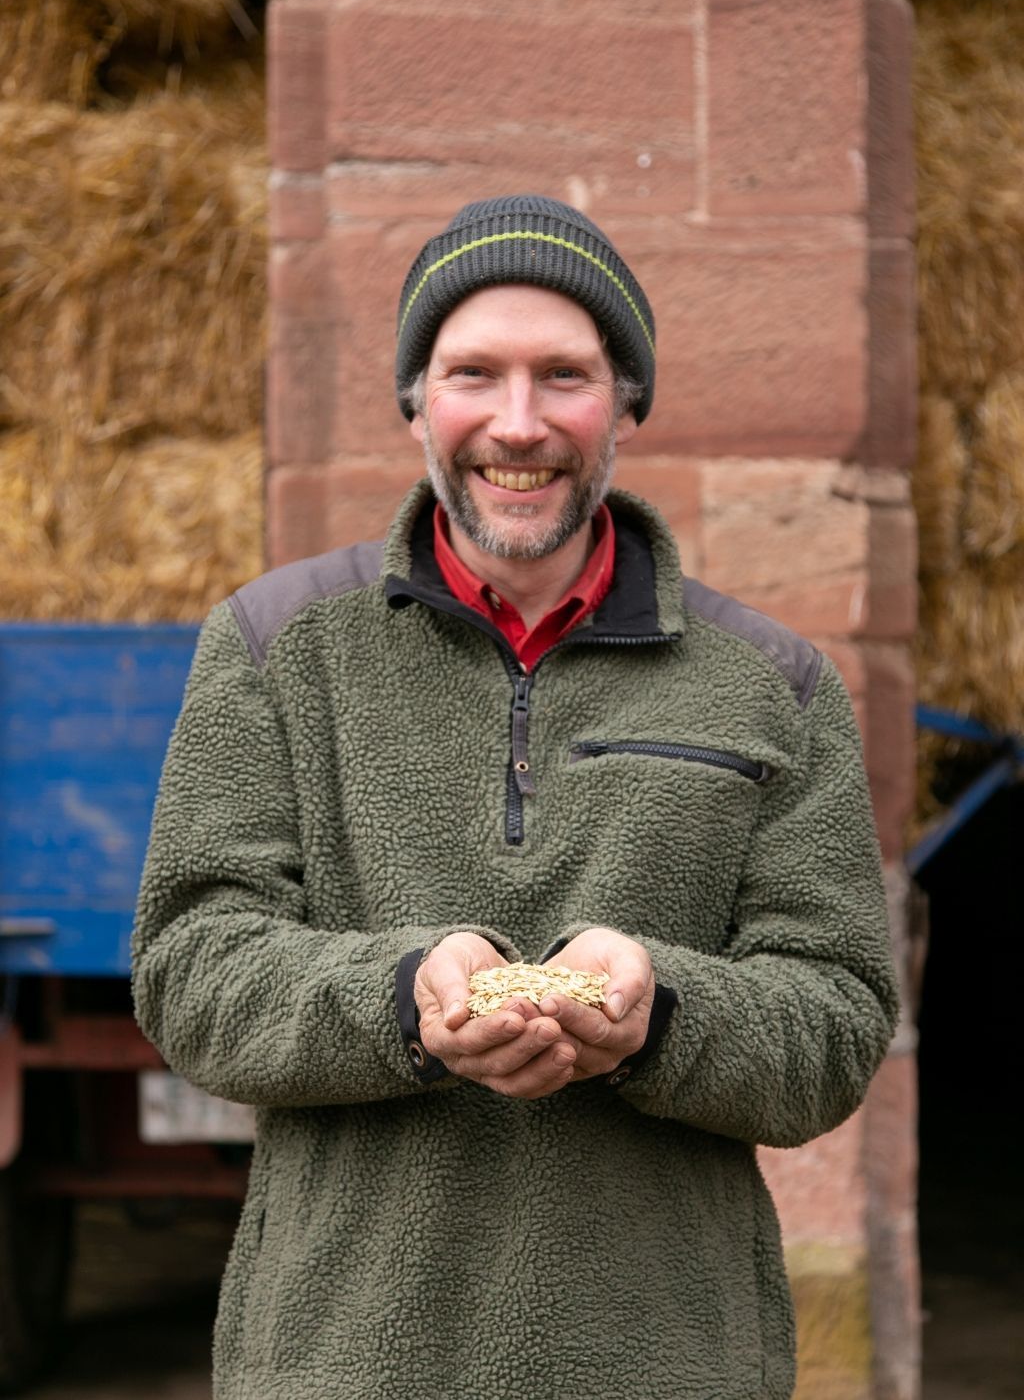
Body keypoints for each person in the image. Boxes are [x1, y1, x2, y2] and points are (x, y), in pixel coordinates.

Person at [132, 195, 899, 1400]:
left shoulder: (774, 685)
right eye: (472, 372)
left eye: (566, 376)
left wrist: (662, 1012)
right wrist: (400, 994)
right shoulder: (277, 645)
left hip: (666, 1359)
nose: (518, 422)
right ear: (415, 399)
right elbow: (190, 971)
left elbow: (839, 1022)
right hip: (340, 1358)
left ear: (628, 402)